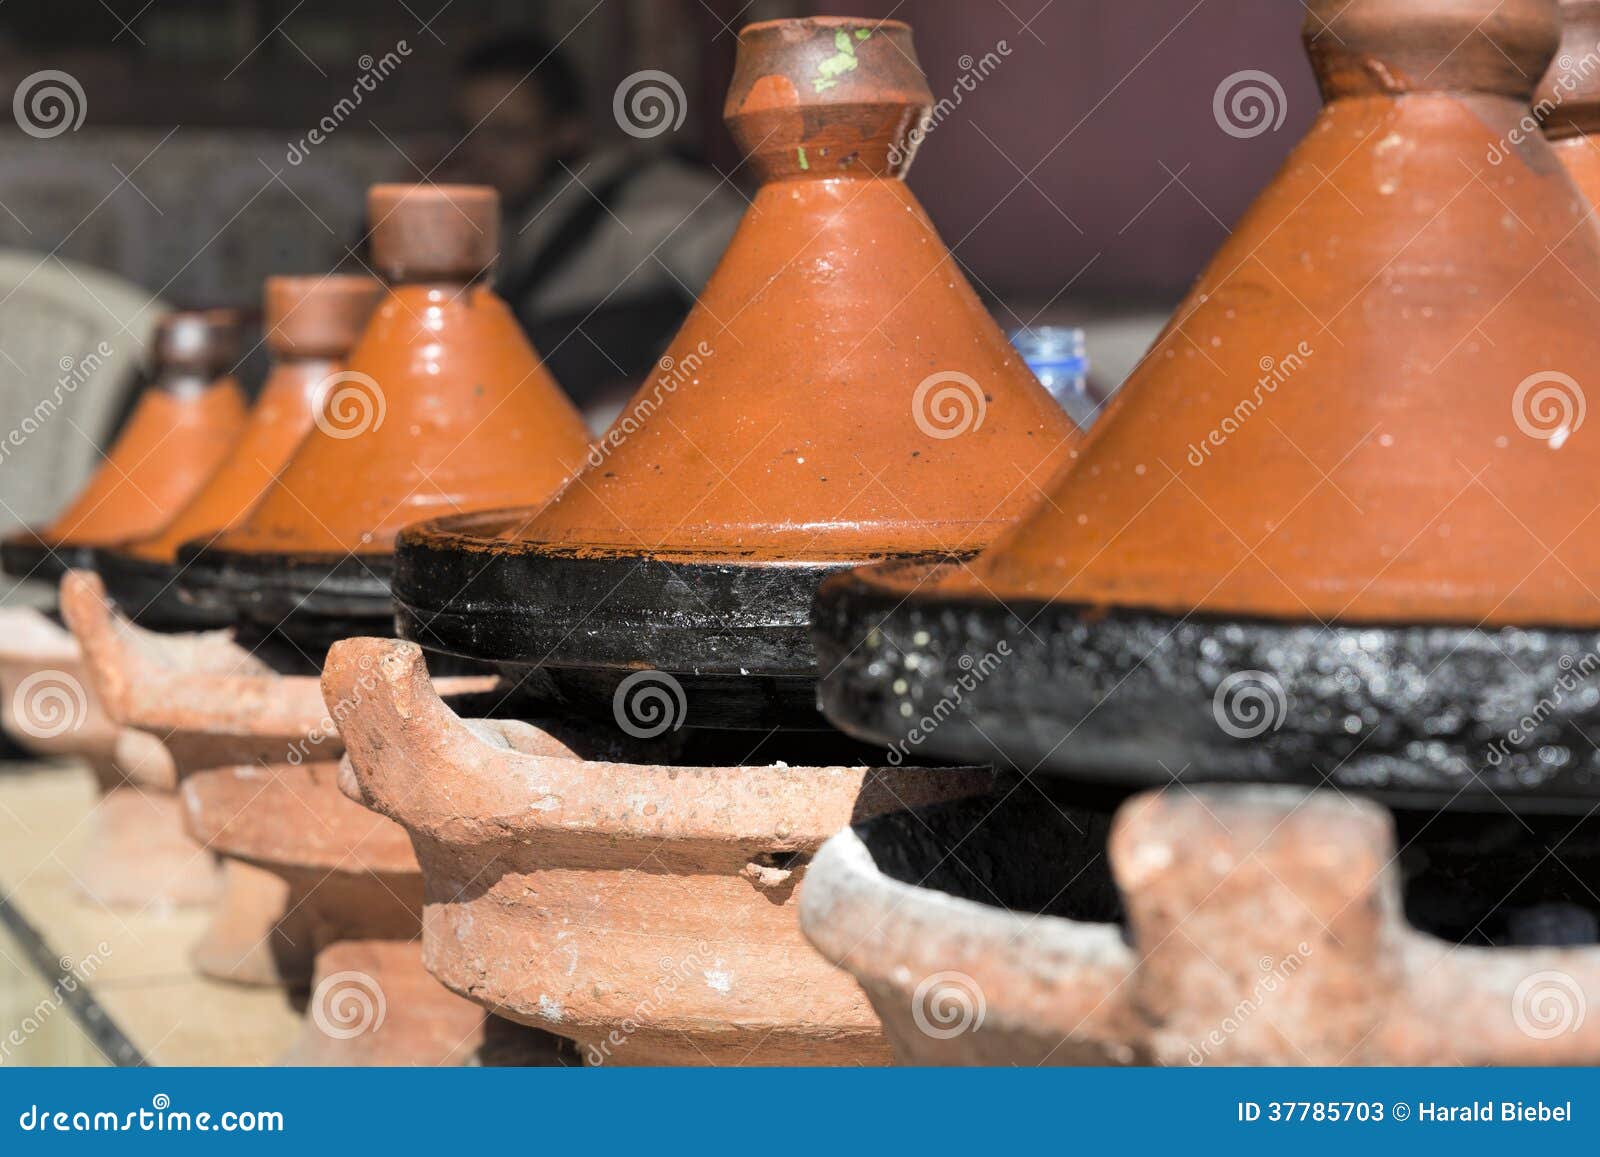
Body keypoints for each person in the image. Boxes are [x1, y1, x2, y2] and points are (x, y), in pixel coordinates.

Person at [443, 33, 743, 420]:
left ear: (567, 132)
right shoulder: (508, 214)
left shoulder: (656, 204)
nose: (481, 155)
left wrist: (667, 388)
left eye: (508, 136)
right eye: (469, 133)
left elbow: (756, 292)